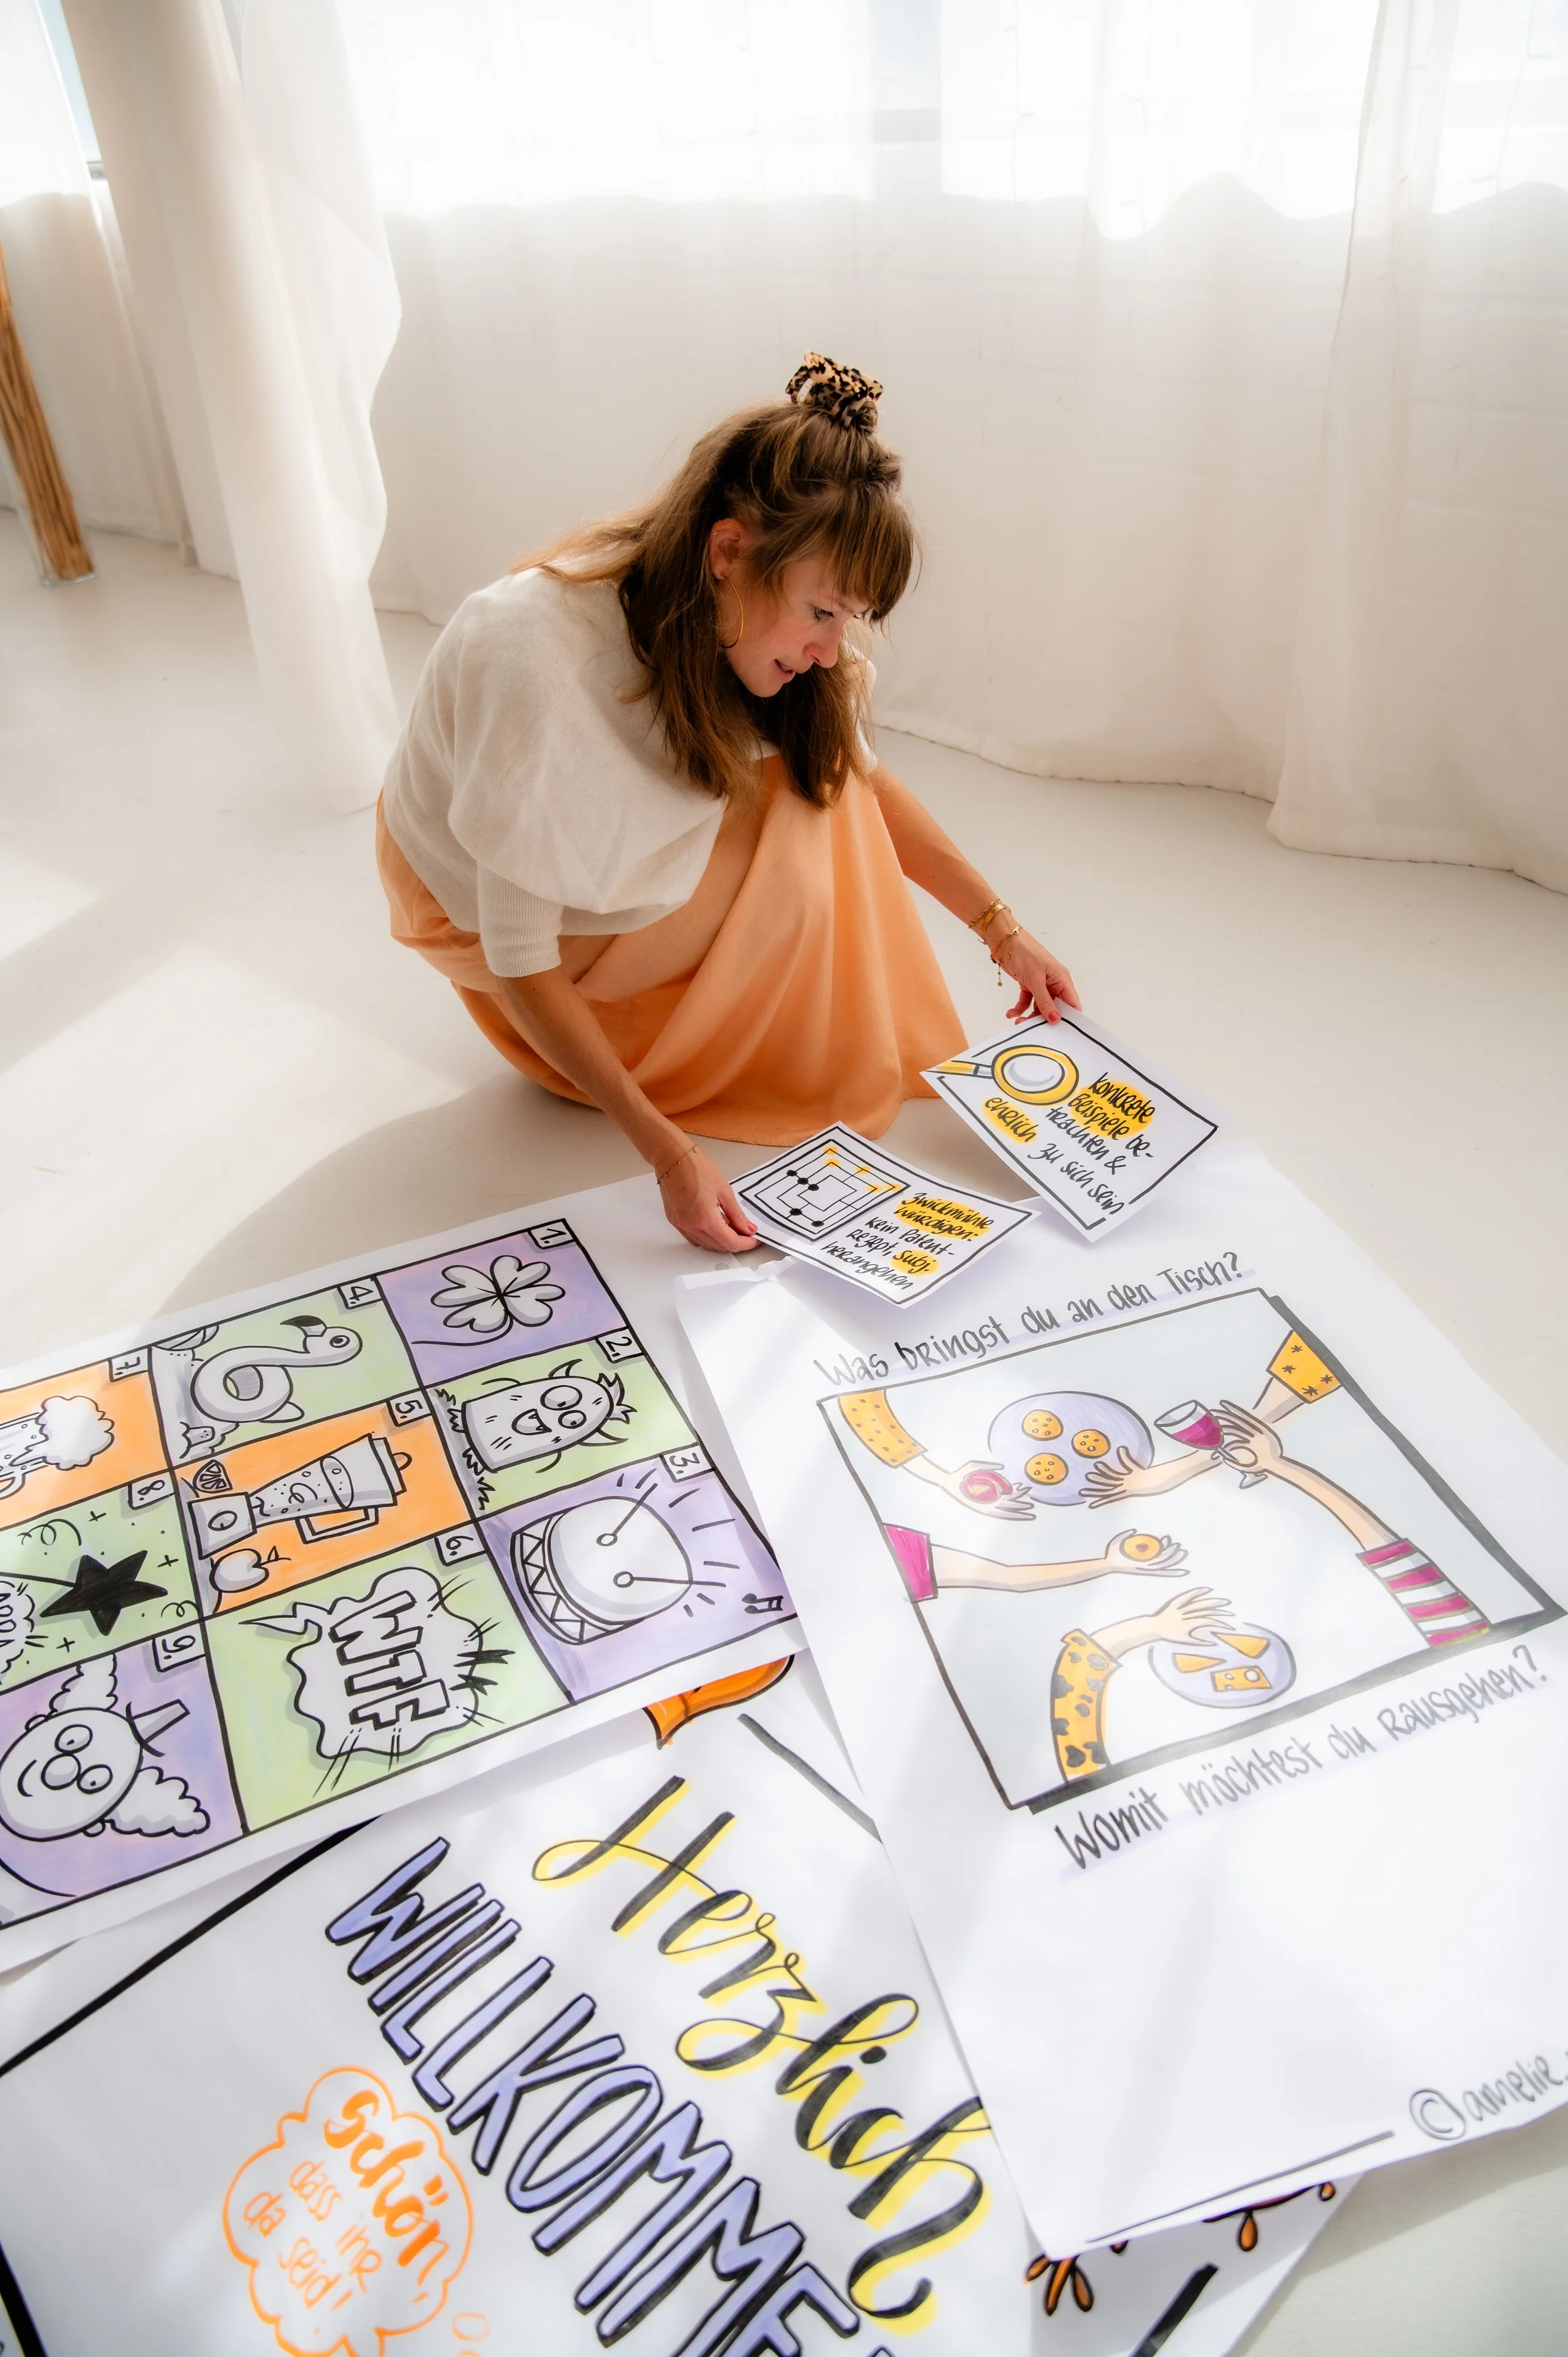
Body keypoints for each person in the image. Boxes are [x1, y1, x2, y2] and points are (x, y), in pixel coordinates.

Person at [378, 354, 1079, 1254]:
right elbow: (518, 955)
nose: (829, 649)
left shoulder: (755, 635)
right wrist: (667, 1152)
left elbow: (868, 788)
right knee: (801, 817)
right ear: (728, 551)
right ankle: (666, 1041)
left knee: (822, 780)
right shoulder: (531, 655)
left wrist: (1004, 932)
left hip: (585, 894)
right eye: (821, 613)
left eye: (848, 621)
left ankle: (739, 1027)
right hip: (487, 922)